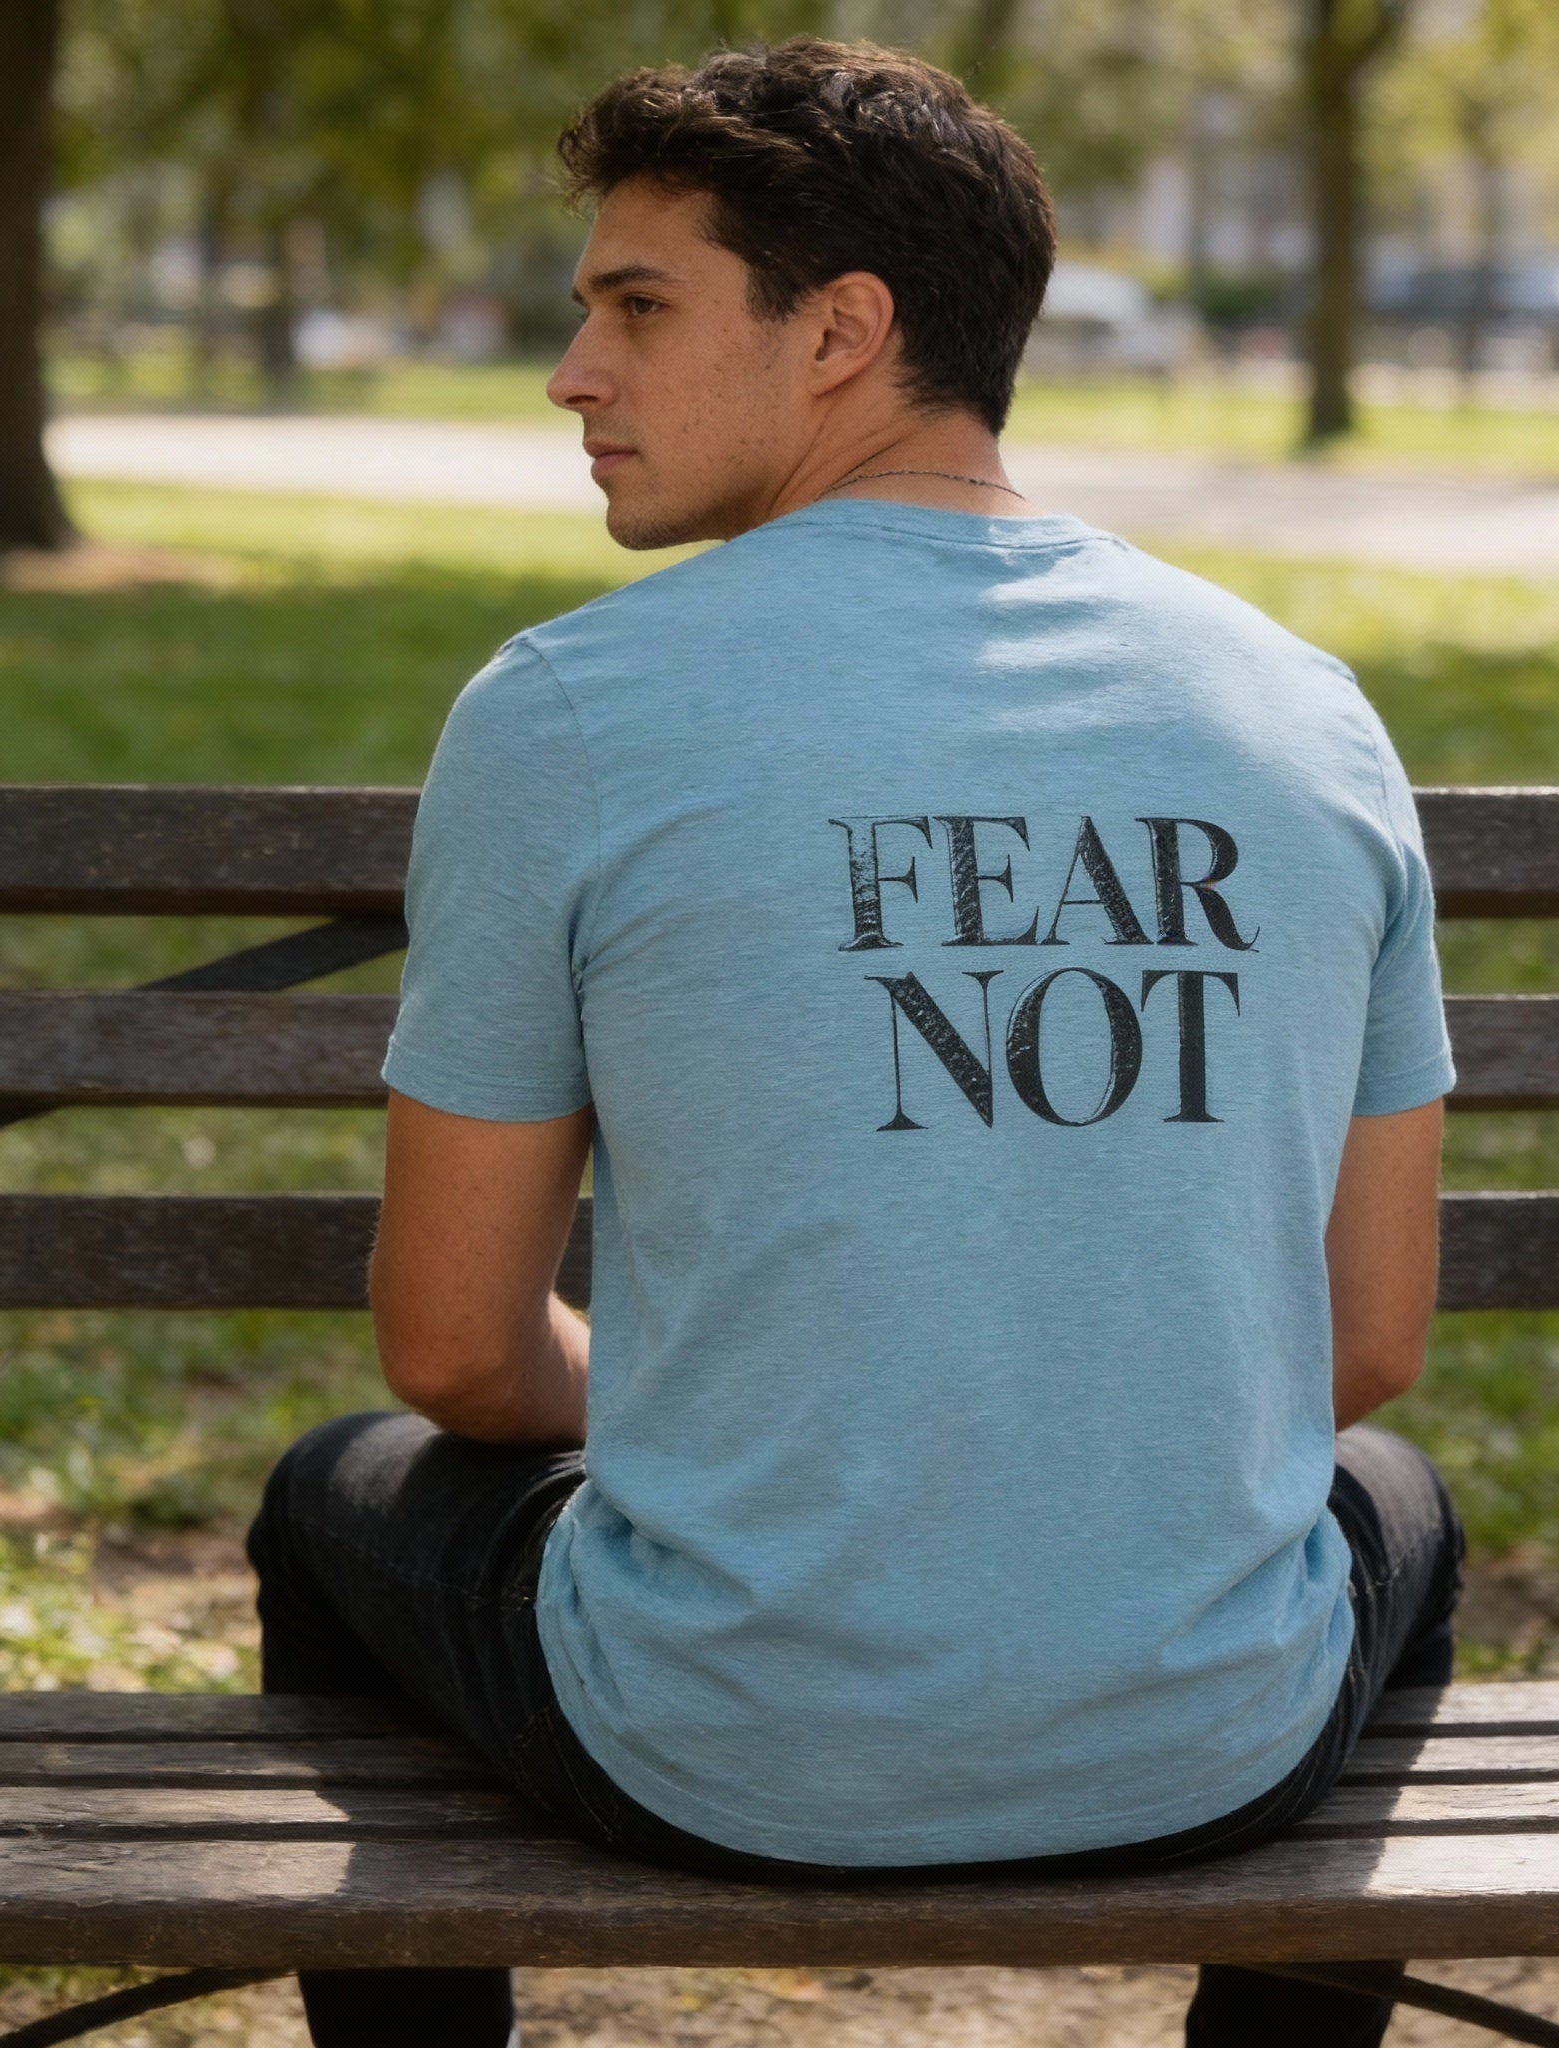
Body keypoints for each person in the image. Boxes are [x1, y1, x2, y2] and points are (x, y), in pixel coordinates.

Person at [247, 37, 1462, 2048]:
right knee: (1394, 1495)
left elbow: (456, 1353)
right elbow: (1363, 1343)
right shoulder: (1303, 712)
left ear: (844, 332)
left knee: (331, 1490)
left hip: (714, 1753)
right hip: (1212, 1749)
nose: (575, 371)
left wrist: (751, 1412)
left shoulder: (568, 712)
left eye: (636, 305)